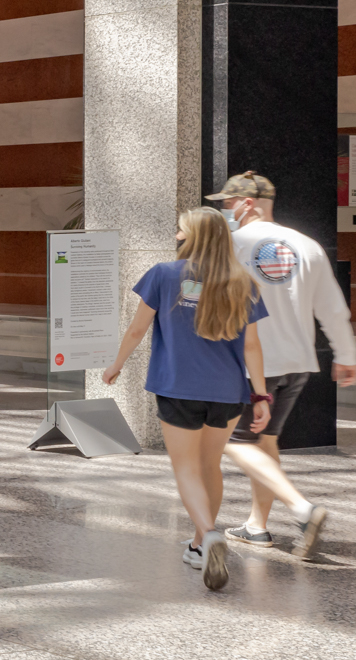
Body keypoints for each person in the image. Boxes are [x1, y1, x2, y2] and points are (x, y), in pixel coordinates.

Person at [101, 207, 270, 591]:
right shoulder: (242, 281)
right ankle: (198, 544)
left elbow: (136, 329)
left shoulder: (164, 275)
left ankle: (210, 534)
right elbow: (253, 346)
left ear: (191, 236)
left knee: (187, 470)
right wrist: (260, 395)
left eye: (180, 230)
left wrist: (116, 365)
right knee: (210, 465)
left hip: (178, 387)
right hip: (228, 392)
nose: (176, 235)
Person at [208, 171, 356, 558]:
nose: (225, 210)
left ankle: (302, 509)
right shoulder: (308, 245)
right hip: (297, 361)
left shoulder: (230, 244)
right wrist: (345, 354)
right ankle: (257, 526)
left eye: (227, 203)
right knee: (265, 441)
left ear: (247, 204)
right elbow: (332, 307)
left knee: (227, 440)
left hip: (249, 363)